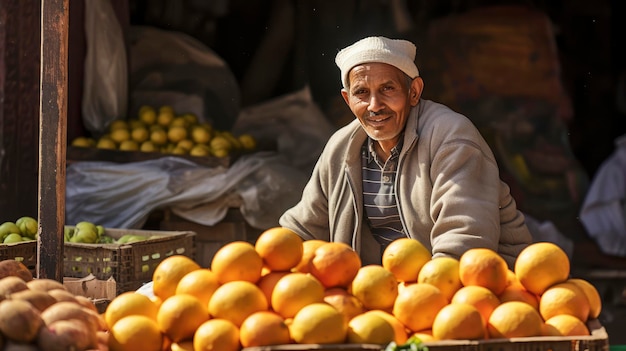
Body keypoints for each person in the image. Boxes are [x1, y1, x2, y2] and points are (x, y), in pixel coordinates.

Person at [279, 36, 532, 268]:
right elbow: (303, 228)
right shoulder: (341, 148)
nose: (375, 106)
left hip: (485, 285)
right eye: (362, 93)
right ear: (348, 100)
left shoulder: (451, 137)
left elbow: (465, 241)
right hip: (387, 292)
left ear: (414, 92)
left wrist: (427, 294)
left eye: (388, 89)